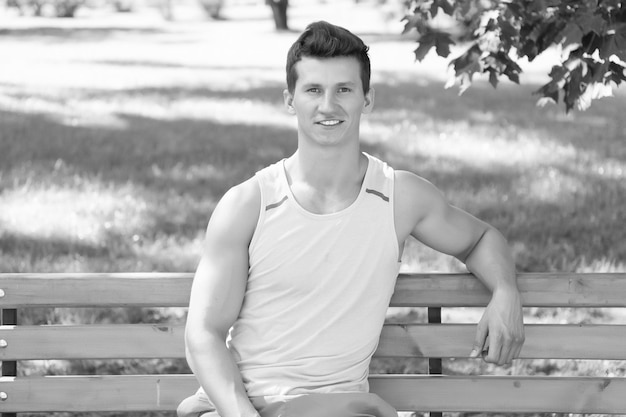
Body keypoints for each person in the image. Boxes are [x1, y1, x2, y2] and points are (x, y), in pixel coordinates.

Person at [177, 21, 525, 417]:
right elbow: (203, 335)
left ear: (367, 98)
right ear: (290, 99)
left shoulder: (399, 198)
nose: (328, 105)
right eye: (313, 90)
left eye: (344, 89)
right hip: (239, 406)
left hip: (338, 408)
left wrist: (505, 292)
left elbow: (480, 239)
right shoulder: (248, 205)